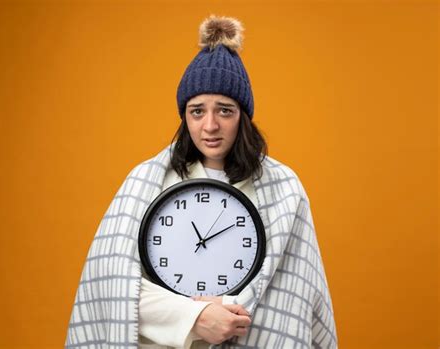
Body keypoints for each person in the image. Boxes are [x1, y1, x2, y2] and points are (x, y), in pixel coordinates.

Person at [65, 15, 338, 349]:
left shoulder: (285, 191)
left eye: (224, 110)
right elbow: (110, 286)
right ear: (185, 116)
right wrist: (195, 317)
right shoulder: (144, 183)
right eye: (197, 111)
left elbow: (297, 294)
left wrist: (226, 312)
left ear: (243, 116)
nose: (210, 125)